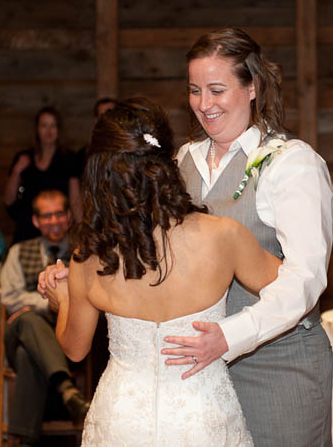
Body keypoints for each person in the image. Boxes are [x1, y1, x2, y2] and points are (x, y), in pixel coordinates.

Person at [41, 98, 280, 445]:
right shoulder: (223, 236)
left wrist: (61, 300)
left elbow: (75, 349)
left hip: (121, 421)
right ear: (169, 160)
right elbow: (292, 289)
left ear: (99, 173)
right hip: (201, 419)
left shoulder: (89, 257)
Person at [169, 27, 333, 445]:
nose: (203, 105)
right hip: (200, 370)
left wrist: (231, 335)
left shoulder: (291, 163)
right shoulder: (182, 161)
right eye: (194, 90)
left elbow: (306, 278)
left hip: (279, 365)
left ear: (251, 88)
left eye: (216, 90)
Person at [0, 189, 89, 445]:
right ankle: (67, 388)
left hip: (68, 338)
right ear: (36, 221)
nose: (54, 221)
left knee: (27, 355)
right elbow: (10, 298)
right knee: (28, 319)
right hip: (20, 329)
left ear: (69, 216)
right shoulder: (18, 251)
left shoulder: (83, 252)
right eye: (47, 216)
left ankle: (22, 439)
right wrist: (51, 298)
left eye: (59, 214)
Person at [5, 107, 82, 243]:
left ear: (59, 130)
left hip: (58, 228)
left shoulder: (69, 158)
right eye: (44, 125)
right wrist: (16, 171)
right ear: (37, 129)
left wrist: (81, 229)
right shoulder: (24, 158)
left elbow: (75, 200)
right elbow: (9, 200)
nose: (48, 131)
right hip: (28, 227)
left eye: (53, 126)